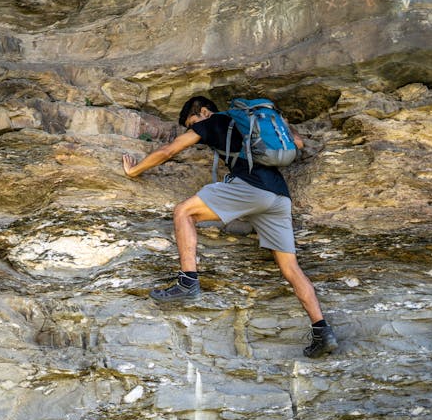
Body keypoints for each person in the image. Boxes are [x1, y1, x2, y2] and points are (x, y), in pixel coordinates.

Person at [122, 95, 338, 358]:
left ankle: (188, 281)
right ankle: (322, 330)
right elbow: (299, 143)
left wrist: (135, 171)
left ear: (203, 111)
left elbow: (169, 151)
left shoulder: (213, 121)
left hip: (251, 188)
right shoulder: (254, 125)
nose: (193, 129)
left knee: (183, 212)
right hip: (279, 198)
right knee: (291, 268)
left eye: (192, 123)